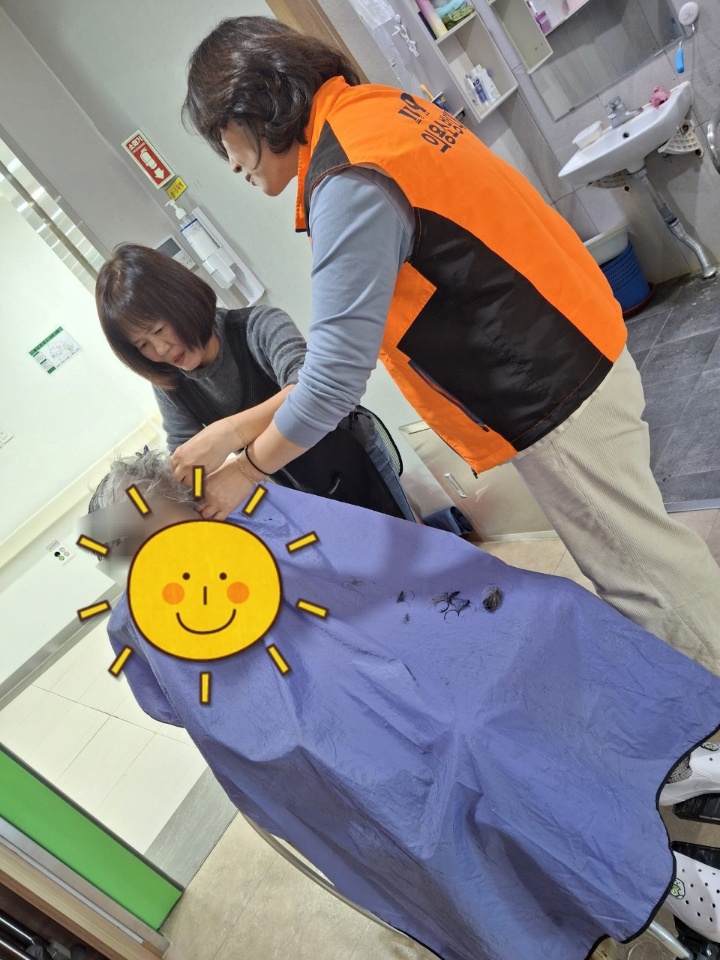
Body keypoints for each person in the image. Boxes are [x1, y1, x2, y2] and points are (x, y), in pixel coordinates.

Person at [178, 15, 720, 675]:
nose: (230, 162)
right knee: (649, 554)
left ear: (251, 107)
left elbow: (332, 382)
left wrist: (246, 470)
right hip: (574, 339)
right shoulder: (374, 111)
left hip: (546, 384)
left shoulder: (347, 179)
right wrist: (231, 430)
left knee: (647, 579)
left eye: (223, 138)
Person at [85, 452, 720, 960]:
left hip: (424, 635)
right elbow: (210, 718)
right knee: (473, 747)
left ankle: (666, 771)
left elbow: (379, 558)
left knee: (554, 612)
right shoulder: (143, 625)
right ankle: (657, 876)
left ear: (197, 503)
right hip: (353, 734)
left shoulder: (258, 512)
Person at [94, 243, 416, 522]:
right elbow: (187, 464)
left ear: (181, 301)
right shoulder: (170, 384)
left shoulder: (259, 326)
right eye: (143, 345)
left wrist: (229, 435)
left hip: (352, 456)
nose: (161, 349)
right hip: (294, 485)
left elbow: (315, 390)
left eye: (159, 330)